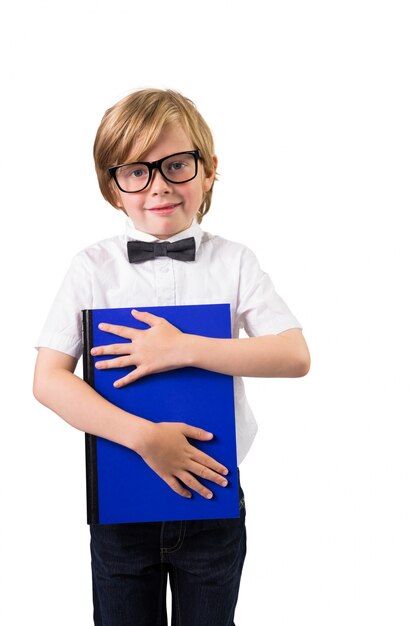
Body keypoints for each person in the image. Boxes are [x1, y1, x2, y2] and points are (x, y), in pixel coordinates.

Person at [33, 88, 310, 626]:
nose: (158, 184)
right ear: (113, 188)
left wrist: (184, 348)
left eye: (176, 165)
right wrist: (145, 438)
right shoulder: (92, 268)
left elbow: (294, 354)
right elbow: (47, 379)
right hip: (122, 505)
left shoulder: (234, 261)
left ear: (208, 172)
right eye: (136, 171)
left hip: (213, 498)